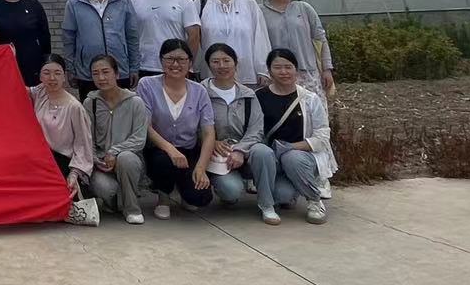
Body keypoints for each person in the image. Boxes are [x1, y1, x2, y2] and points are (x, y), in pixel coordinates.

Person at [250, 47, 337, 225]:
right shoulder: (258, 97)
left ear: (296, 70)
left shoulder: (309, 99)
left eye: (288, 67)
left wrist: (290, 147)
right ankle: (268, 205)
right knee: (261, 154)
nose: (283, 72)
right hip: (271, 158)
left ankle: (314, 200)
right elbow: (252, 130)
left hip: (301, 157)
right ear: (269, 71)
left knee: (291, 159)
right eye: (277, 67)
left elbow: (322, 137)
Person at [138, 38, 215, 216]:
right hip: (158, 149)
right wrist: (171, 150)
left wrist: (201, 167)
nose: (175, 64)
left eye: (181, 59)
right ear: (161, 60)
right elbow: (145, 126)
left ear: (190, 62)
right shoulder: (147, 85)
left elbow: (208, 133)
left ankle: (183, 192)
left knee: (201, 198)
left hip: (188, 150)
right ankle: (163, 197)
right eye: (169, 59)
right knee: (163, 161)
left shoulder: (199, 91)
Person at [82, 54, 151, 224]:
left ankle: (132, 209)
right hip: (101, 163)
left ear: (117, 74)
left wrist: (114, 151)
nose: (101, 77)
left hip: (129, 160)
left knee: (126, 158)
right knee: (104, 188)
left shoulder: (135, 102)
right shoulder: (90, 103)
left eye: (106, 72)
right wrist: (95, 158)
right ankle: (115, 201)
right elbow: (87, 137)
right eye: (96, 73)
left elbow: (139, 138)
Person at [61, 0, 139, 96]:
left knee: (122, 108)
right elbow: (68, 40)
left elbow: (132, 36)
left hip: (119, 70)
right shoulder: (74, 3)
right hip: (88, 72)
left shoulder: (123, 1)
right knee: (92, 107)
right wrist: (71, 69)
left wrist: (134, 67)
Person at [259, 0, 337, 102]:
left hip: (307, 72)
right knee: (284, 111)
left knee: (313, 110)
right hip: (278, 74)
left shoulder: (304, 8)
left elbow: (320, 39)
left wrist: (327, 69)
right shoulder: (260, 11)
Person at [199, 43, 263, 208]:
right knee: (231, 191)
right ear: (208, 65)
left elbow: (256, 129)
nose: (222, 66)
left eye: (226, 60)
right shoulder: (199, 92)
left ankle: (267, 198)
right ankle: (224, 185)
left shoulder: (248, 95)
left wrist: (240, 150)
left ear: (236, 63)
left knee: (264, 154)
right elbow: (191, 125)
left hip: (244, 153)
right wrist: (211, 141)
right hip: (215, 155)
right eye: (215, 61)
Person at [195, 0, 272, 89]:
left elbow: (260, 37)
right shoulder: (201, 3)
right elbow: (195, 39)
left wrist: (263, 70)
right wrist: (195, 68)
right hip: (212, 74)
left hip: (246, 75)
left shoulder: (249, 3)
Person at [130, 0, 201, 80]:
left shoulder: (184, 1)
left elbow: (194, 36)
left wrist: (186, 65)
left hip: (175, 67)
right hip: (143, 67)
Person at [29, 55, 93, 195]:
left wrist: (74, 173)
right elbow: (15, 86)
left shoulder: (74, 107)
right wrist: (9, 58)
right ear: (40, 76)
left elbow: (83, 145)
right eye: (46, 73)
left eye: (57, 73)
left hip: (64, 162)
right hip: (40, 159)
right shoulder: (40, 92)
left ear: (64, 76)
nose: (52, 78)